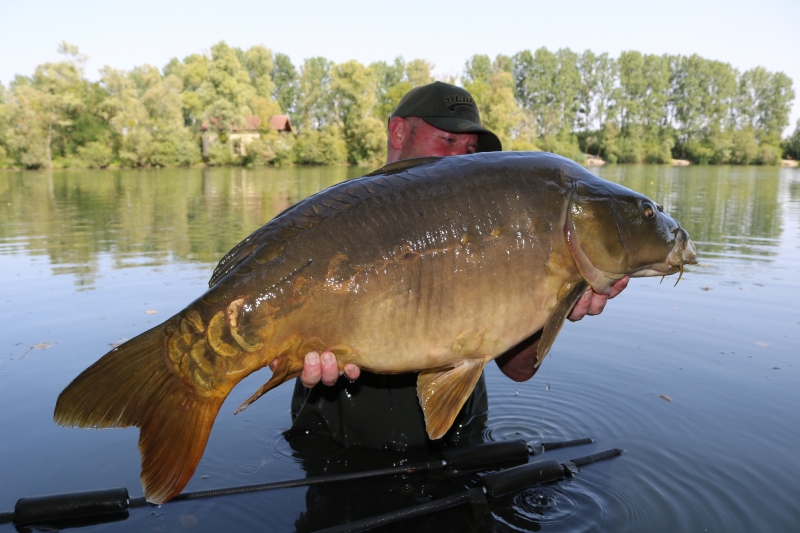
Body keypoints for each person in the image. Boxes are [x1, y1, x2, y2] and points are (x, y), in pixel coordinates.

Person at [281, 81, 628, 449]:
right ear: (399, 132)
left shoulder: (494, 236)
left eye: (471, 150)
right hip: (338, 445)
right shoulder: (331, 225)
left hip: (457, 445)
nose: (460, 161)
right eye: (447, 141)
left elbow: (519, 369)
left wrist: (556, 304)